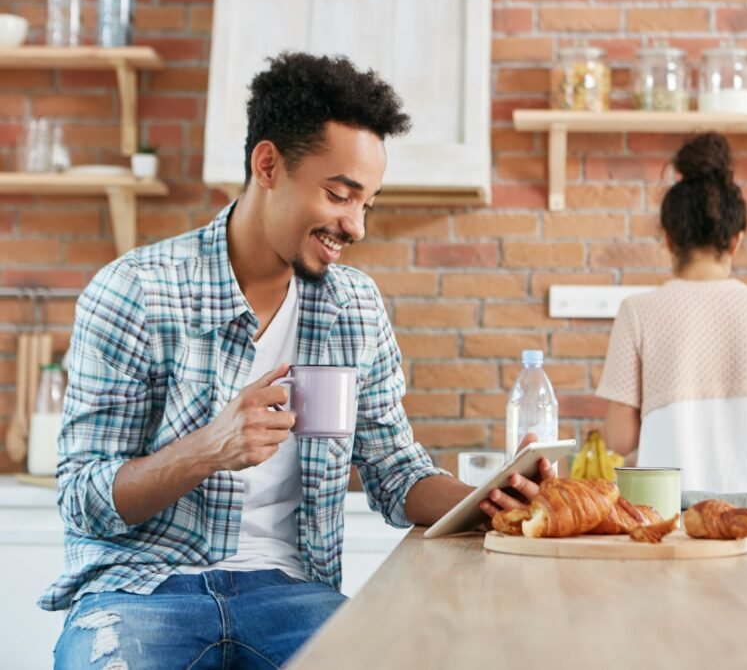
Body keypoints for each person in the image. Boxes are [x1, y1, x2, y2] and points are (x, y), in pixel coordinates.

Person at [43, 52, 552, 669]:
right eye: (340, 195)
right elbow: (83, 497)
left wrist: (492, 499)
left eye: (368, 204)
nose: (356, 225)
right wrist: (211, 447)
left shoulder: (354, 307)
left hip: (293, 595)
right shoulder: (136, 290)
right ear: (268, 165)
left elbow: (395, 472)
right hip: (140, 592)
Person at [595, 132, 747, 512]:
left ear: (668, 238)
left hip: (668, 518)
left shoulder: (639, 312)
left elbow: (618, 438)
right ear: (736, 240)